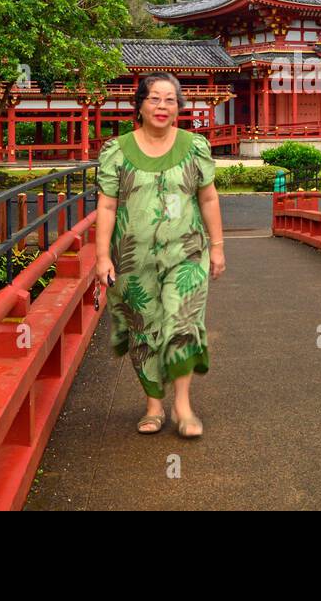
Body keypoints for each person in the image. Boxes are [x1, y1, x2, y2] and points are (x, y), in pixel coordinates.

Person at [91, 72, 225, 438]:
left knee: (182, 323)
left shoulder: (195, 146)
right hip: (132, 258)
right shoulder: (117, 150)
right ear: (140, 105)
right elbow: (106, 206)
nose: (162, 106)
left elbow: (208, 197)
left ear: (179, 106)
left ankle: (182, 405)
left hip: (187, 252)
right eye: (154, 98)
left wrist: (217, 247)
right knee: (143, 330)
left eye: (170, 99)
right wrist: (102, 257)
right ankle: (154, 404)